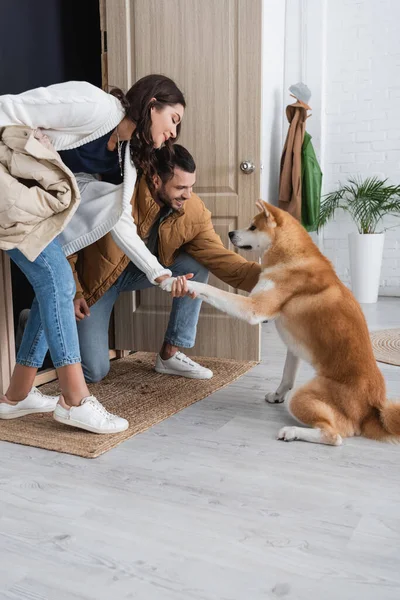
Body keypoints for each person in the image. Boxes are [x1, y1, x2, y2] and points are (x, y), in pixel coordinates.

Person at [0, 75, 187, 434]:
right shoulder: (94, 104)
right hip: (12, 194)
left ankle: (17, 396)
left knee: (53, 290)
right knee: (56, 281)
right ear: (152, 105)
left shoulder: (126, 154)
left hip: (34, 208)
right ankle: (74, 401)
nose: (174, 132)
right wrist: (28, 140)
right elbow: (9, 107)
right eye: (173, 119)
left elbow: (120, 221)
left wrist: (158, 273)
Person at [69, 144, 262, 382]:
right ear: (155, 180)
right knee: (93, 372)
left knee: (196, 263)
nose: (188, 195)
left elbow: (223, 261)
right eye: (180, 187)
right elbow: (69, 244)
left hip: (141, 274)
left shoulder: (192, 210)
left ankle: (170, 354)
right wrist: (74, 291)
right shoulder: (119, 197)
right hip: (96, 281)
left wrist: (275, 280)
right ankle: (39, 321)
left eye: (191, 186)